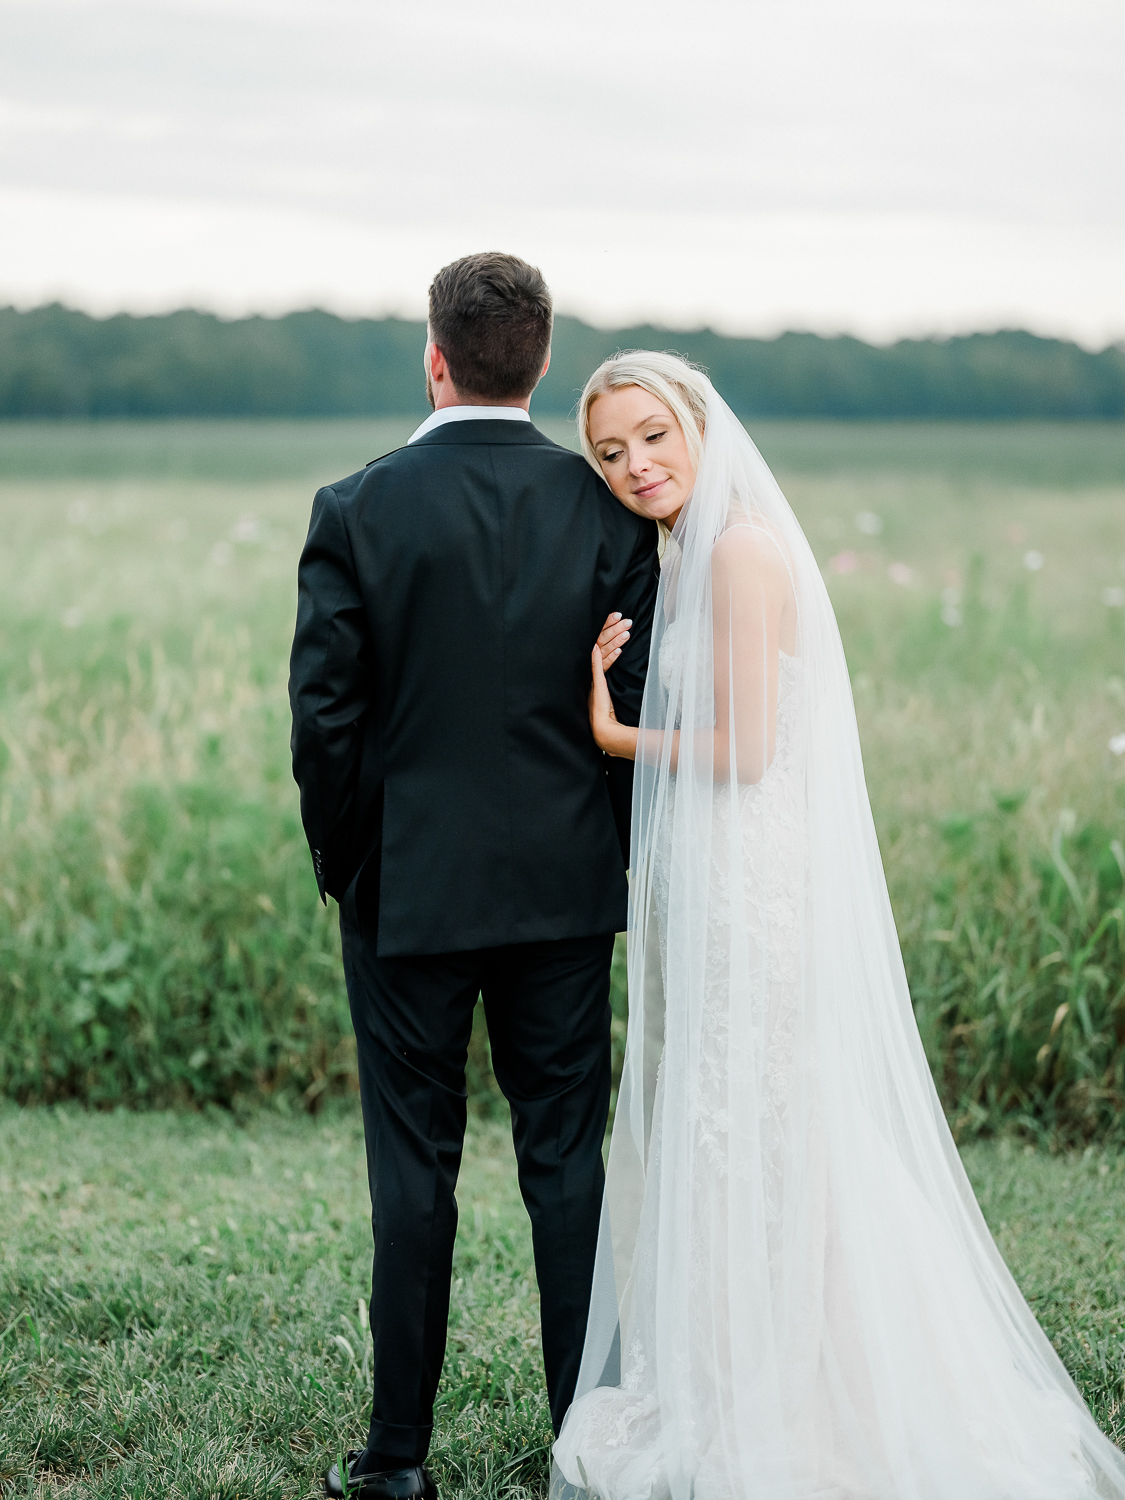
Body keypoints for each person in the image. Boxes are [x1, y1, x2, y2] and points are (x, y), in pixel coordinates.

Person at [552, 350, 1125, 1500]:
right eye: (610, 452)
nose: (634, 466)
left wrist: (613, 733)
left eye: (653, 437)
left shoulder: (744, 551)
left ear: (702, 426)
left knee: (763, 1116)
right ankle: (741, 1365)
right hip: (718, 870)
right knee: (740, 1114)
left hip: (755, 880)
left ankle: (809, 1388)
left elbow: (749, 752)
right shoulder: (689, 551)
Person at [288, 254, 659, 1500]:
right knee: (569, 1165)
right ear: (542, 364)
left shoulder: (356, 508)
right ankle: (589, 1453)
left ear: (435, 356)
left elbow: (325, 723)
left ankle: (395, 1463)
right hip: (564, 892)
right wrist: (597, 848)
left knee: (413, 1168)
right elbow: (634, 708)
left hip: (409, 893)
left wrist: (349, 866)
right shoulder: (609, 514)